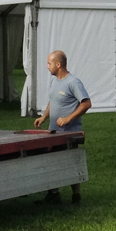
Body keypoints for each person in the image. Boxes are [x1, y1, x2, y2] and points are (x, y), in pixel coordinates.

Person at [34, 50, 91, 204]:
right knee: (52, 162)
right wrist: (44, 117)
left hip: (69, 133)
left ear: (58, 64)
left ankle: (76, 196)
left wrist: (68, 118)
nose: (47, 67)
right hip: (54, 132)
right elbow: (53, 101)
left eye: (49, 63)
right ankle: (54, 194)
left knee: (71, 163)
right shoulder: (54, 82)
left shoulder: (73, 82)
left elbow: (86, 103)